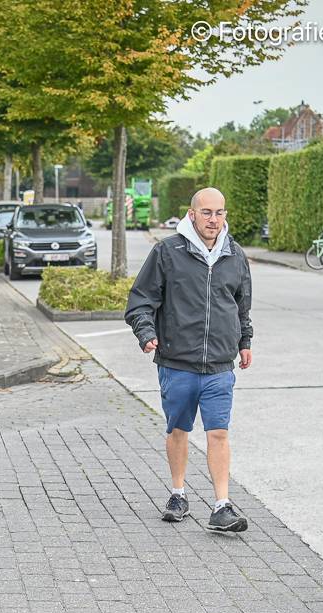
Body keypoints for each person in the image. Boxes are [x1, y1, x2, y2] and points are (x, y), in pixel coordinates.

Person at [125, 187, 254, 532]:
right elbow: (140, 300)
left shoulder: (235, 255)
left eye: (220, 212)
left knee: (219, 433)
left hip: (219, 366)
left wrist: (245, 341)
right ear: (192, 213)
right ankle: (178, 493)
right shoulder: (168, 252)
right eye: (207, 212)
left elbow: (241, 306)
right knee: (179, 429)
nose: (214, 220)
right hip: (177, 362)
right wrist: (145, 332)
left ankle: (222, 506)